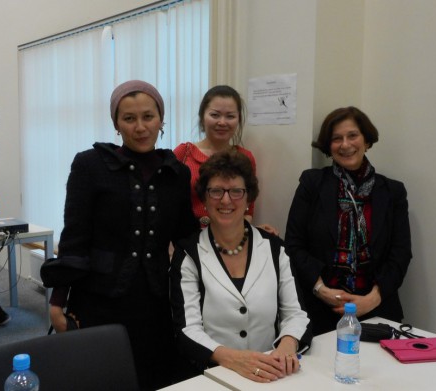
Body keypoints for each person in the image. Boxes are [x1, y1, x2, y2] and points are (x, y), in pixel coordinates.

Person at [40, 80, 198, 390]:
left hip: (156, 301)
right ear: (116, 123)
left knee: (154, 376)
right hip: (98, 298)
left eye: (148, 117)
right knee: (103, 376)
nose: (140, 127)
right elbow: (75, 237)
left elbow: (186, 237)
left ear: (161, 119)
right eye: (129, 118)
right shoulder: (90, 165)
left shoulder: (176, 172)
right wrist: (58, 301)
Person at [170, 150, 312, 383]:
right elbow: (187, 330)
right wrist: (232, 359)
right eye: (216, 191)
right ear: (204, 200)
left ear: (249, 199)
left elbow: (296, 313)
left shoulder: (275, 248)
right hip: (212, 377)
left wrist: (288, 343)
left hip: (274, 374)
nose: (226, 200)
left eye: (236, 191)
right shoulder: (189, 254)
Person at [285, 106, 412, 336]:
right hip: (320, 311)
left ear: (367, 140)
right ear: (328, 145)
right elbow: (294, 245)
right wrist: (321, 289)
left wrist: (373, 299)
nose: (345, 144)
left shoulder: (392, 191)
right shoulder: (312, 184)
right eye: (336, 138)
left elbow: (401, 253)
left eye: (352, 135)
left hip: (378, 310)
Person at [174, 85, 278, 234]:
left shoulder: (245, 157)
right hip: (187, 239)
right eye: (215, 115)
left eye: (230, 116)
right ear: (202, 117)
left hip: (229, 239)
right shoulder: (183, 153)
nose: (222, 122)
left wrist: (252, 233)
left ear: (238, 120)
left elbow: (248, 209)